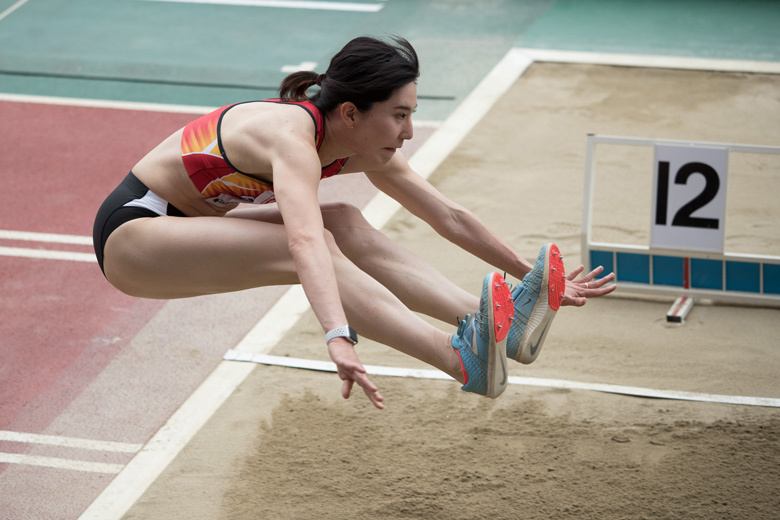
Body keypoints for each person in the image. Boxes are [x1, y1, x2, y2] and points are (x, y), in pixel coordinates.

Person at [93, 36, 615, 409]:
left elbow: (449, 217)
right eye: (399, 115)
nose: (409, 130)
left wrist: (536, 282)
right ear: (349, 113)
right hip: (135, 235)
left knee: (343, 219)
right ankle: (460, 362)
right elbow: (300, 243)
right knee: (316, 237)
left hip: (185, 230)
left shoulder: (358, 143)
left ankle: (492, 324)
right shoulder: (292, 140)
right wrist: (336, 335)